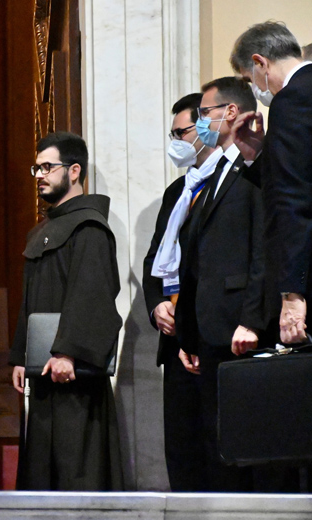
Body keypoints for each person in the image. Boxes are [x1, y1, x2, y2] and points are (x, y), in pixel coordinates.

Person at [9, 131, 123, 491]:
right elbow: (30, 302)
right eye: (37, 168)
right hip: (42, 372)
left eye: (48, 167)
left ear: (74, 171)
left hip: (72, 375)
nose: (40, 174)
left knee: (77, 468)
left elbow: (92, 295)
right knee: (43, 471)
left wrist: (68, 352)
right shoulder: (42, 231)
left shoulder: (89, 227)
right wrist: (19, 356)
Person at [172, 77, 267, 492]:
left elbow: (263, 249)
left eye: (206, 112)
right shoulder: (214, 173)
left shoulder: (252, 169)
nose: (201, 120)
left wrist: (252, 318)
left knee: (246, 442)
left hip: (239, 328)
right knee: (214, 442)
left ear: (230, 112)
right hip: (209, 328)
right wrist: (188, 333)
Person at [144, 93, 218, 491]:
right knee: (181, 448)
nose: (175, 141)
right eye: (171, 134)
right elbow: (154, 259)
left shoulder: (234, 180)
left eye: (182, 132)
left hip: (209, 331)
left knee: (216, 445)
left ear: (206, 127)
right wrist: (156, 304)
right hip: (173, 336)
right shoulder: (177, 192)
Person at [230, 22, 312, 346]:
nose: (256, 89)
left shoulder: (291, 99)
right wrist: (259, 155)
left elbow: (293, 202)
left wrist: (292, 293)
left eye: (251, 79)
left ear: (260, 62)